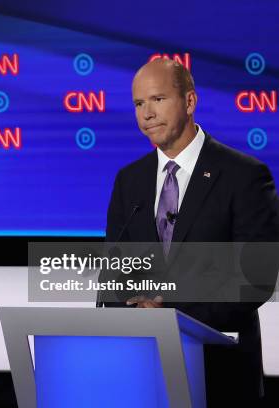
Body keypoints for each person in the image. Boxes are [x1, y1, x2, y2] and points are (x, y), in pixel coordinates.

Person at [104, 59, 279, 405]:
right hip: (142, 373)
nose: (147, 113)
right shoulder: (129, 181)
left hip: (220, 374)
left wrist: (172, 312)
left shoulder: (244, 176)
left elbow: (255, 278)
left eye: (158, 99)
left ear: (189, 102)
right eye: (139, 104)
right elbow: (115, 273)